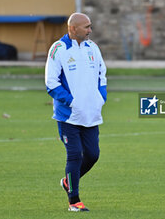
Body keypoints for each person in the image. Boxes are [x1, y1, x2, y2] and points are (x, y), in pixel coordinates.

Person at [45, 13, 107, 212]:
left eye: (90, 26)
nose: (90, 30)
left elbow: (102, 75)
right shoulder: (58, 49)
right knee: (75, 156)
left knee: (93, 155)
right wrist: (71, 101)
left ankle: (67, 182)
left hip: (91, 113)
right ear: (73, 29)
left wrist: (100, 97)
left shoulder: (93, 48)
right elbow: (51, 83)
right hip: (68, 115)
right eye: (86, 27)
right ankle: (74, 201)